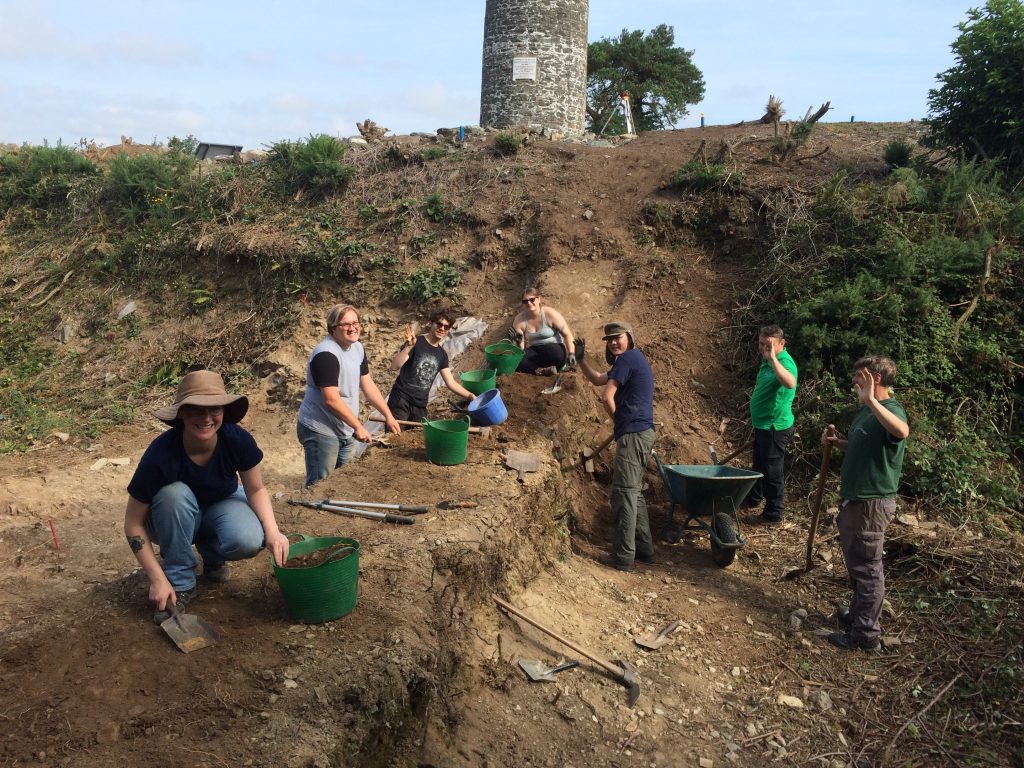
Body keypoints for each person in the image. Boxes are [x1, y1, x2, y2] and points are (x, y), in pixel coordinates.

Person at [123, 370, 291, 624]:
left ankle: (213, 554)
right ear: (181, 413)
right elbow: (133, 524)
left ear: (224, 411)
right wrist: (157, 579)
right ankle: (179, 580)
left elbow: (255, 489)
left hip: (221, 504)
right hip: (172, 517)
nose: (206, 418)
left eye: (214, 409)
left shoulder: (237, 439)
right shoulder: (160, 455)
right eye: (195, 409)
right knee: (173, 495)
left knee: (248, 539)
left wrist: (273, 531)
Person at [822, 356, 909, 651]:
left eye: (860, 376)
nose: (854, 381)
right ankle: (859, 616)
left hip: (871, 503)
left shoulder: (891, 410)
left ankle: (866, 635)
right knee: (858, 563)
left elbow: (901, 432)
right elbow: (864, 444)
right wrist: (838, 443)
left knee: (868, 569)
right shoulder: (867, 412)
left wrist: (872, 401)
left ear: (876, 379)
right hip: (856, 501)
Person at [578, 320, 657, 573]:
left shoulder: (627, 359)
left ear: (629, 337)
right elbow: (601, 379)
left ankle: (623, 557)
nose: (613, 342)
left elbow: (606, 397)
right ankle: (644, 549)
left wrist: (619, 423)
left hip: (634, 433)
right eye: (609, 339)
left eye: (618, 337)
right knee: (633, 492)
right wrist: (581, 361)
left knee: (623, 492)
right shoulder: (630, 360)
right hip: (642, 432)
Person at [297, 304, 400, 487]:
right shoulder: (326, 354)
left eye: (355, 322)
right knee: (320, 485)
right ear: (332, 328)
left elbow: (368, 385)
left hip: (345, 428)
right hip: (322, 429)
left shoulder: (358, 348)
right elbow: (331, 399)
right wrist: (358, 426)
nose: (352, 328)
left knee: (340, 484)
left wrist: (388, 416)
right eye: (345, 325)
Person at [743, 324, 798, 524]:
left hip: (774, 427)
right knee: (759, 464)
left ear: (781, 343)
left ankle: (773, 514)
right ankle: (753, 499)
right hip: (763, 425)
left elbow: (790, 382)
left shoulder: (783, 362)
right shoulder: (767, 361)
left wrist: (774, 358)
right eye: (760, 344)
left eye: (768, 345)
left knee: (772, 471)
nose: (763, 348)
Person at [388, 310, 476, 425]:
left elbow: (451, 383)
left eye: (446, 326)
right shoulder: (416, 342)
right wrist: (408, 347)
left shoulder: (442, 355)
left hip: (420, 405)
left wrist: (470, 395)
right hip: (401, 400)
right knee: (395, 438)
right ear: (431, 323)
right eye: (439, 324)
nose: (442, 328)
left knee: (415, 440)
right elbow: (395, 366)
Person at [509, 287, 577, 375]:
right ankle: (540, 371)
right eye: (525, 301)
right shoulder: (519, 320)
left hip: (553, 348)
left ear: (538, 299)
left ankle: (558, 367)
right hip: (535, 351)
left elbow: (567, 334)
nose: (529, 303)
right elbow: (521, 351)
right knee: (516, 360)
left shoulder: (550, 314)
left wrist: (571, 353)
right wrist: (517, 343)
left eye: (532, 299)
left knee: (555, 352)